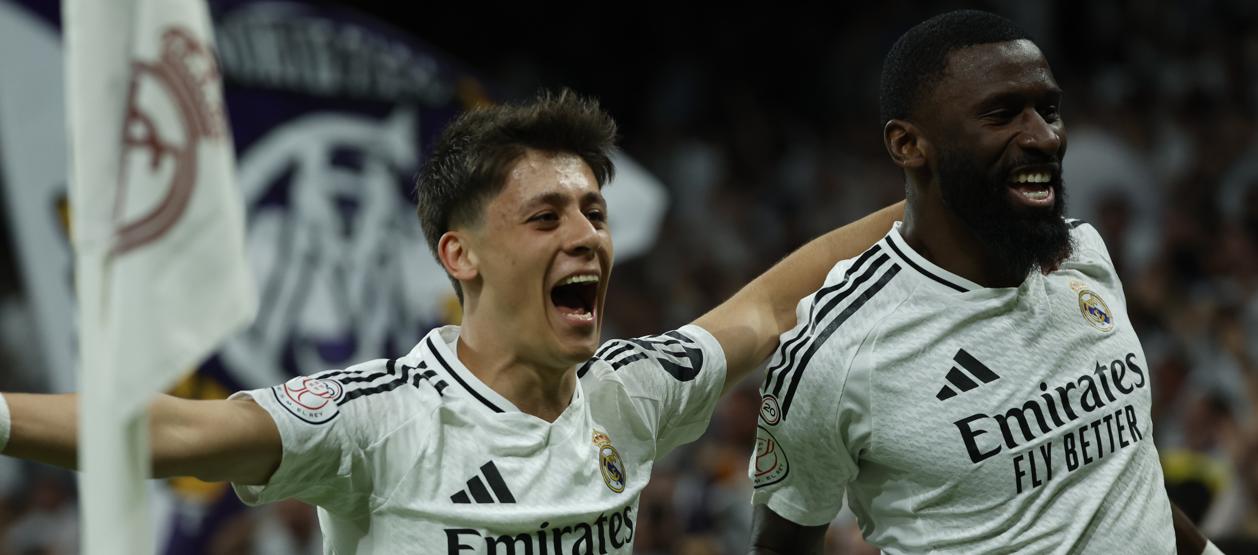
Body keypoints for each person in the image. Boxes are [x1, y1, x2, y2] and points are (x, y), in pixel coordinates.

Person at [0, 90, 902, 553]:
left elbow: (773, 302)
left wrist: (940, 209)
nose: (586, 235)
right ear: (458, 255)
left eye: (593, 211)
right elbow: (184, 428)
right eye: (545, 217)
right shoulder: (376, 418)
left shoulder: (633, 388)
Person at [746, 10, 1220, 555]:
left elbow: (1124, 472)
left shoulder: (1084, 253)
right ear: (908, 145)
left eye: (1048, 109)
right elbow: (781, 544)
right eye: (1002, 115)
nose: (1044, 137)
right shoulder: (839, 351)